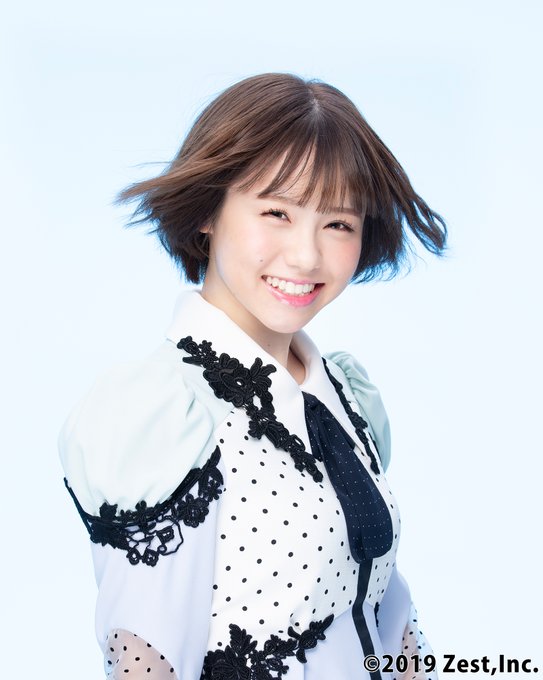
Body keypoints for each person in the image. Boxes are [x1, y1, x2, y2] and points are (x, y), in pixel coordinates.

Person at [58, 72, 447, 680]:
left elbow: (385, 614)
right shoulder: (163, 413)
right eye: (276, 212)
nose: (306, 255)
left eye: (338, 224)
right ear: (208, 212)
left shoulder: (343, 395)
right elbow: (144, 657)